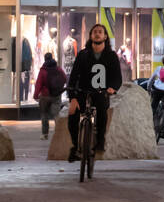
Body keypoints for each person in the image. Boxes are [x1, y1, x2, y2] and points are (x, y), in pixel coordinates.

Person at [65, 23, 122, 163]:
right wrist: (72, 96)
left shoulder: (111, 56)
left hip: (101, 92)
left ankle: (100, 140)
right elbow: (73, 76)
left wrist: (112, 88)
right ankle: (75, 147)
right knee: (73, 114)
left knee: (102, 109)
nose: (97, 34)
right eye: (94, 31)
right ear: (90, 36)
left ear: (105, 36)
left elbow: (117, 77)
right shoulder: (83, 55)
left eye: (100, 32)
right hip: (83, 92)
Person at [32, 52, 67, 139]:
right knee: (56, 115)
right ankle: (59, 133)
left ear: (45, 59)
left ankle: (45, 134)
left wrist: (36, 95)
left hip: (45, 96)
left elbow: (38, 84)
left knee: (44, 115)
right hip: (56, 95)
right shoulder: (58, 69)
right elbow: (65, 78)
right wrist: (60, 88)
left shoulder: (43, 70)